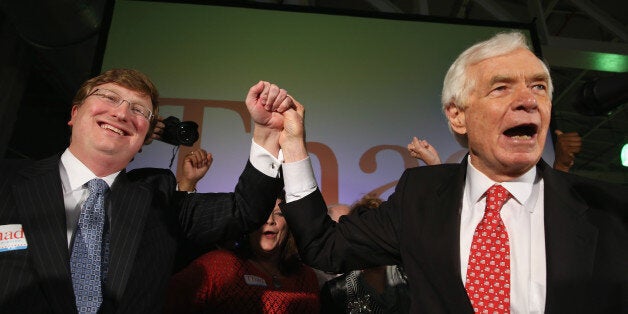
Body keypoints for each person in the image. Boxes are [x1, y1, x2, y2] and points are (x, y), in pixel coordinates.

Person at [271, 31, 628, 313]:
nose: (528, 100)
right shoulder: (420, 196)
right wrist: (293, 144)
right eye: (502, 87)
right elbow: (324, 246)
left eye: (539, 86)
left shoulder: (609, 209)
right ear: (457, 115)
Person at [0, 69, 295, 313]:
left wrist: (267, 134)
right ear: (74, 113)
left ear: (144, 138)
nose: (122, 113)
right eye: (109, 97)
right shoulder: (8, 180)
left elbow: (245, 209)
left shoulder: (161, 202)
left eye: (139, 110)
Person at [164, 192, 320, 313]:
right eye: (262, 212)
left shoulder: (306, 276)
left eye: (279, 214)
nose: (270, 220)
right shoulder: (218, 265)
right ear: (248, 220)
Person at [320, 195, 410, 314]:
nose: (372, 239)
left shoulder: (411, 277)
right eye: (365, 232)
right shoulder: (336, 290)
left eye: (377, 231)